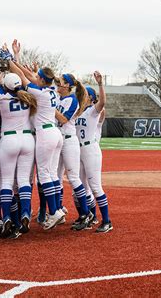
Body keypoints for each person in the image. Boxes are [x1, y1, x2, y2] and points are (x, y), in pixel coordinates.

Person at [8, 39, 64, 230]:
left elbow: (24, 79)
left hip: (45, 134)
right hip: (55, 132)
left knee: (44, 174)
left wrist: (9, 61)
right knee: (52, 173)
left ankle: (55, 211)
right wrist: (16, 56)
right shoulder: (52, 90)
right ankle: (57, 209)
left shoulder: (39, 93)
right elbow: (31, 76)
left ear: (41, 79)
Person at [0, 65, 37, 237]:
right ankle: (25, 213)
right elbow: (24, 79)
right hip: (27, 139)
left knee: (7, 182)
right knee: (24, 180)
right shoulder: (28, 96)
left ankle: (8, 216)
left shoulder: (2, 97)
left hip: (9, 139)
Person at [75, 71, 112, 233]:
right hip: (78, 150)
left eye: (84, 95)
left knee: (95, 186)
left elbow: (102, 103)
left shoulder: (92, 111)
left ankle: (107, 221)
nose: (81, 97)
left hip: (91, 149)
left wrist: (100, 84)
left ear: (90, 98)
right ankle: (90, 217)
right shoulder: (77, 111)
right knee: (81, 188)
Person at [54, 73, 92, 230]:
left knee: (73, 177)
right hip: (59, 139)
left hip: (69, 140)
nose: (58, 85)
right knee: (55, 176)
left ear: (67, 86)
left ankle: (85, 213)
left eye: (61, 83)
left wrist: (49, 106)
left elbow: (63, 119)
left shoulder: (73, 100)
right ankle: (58, 210)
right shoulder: (58, 98)